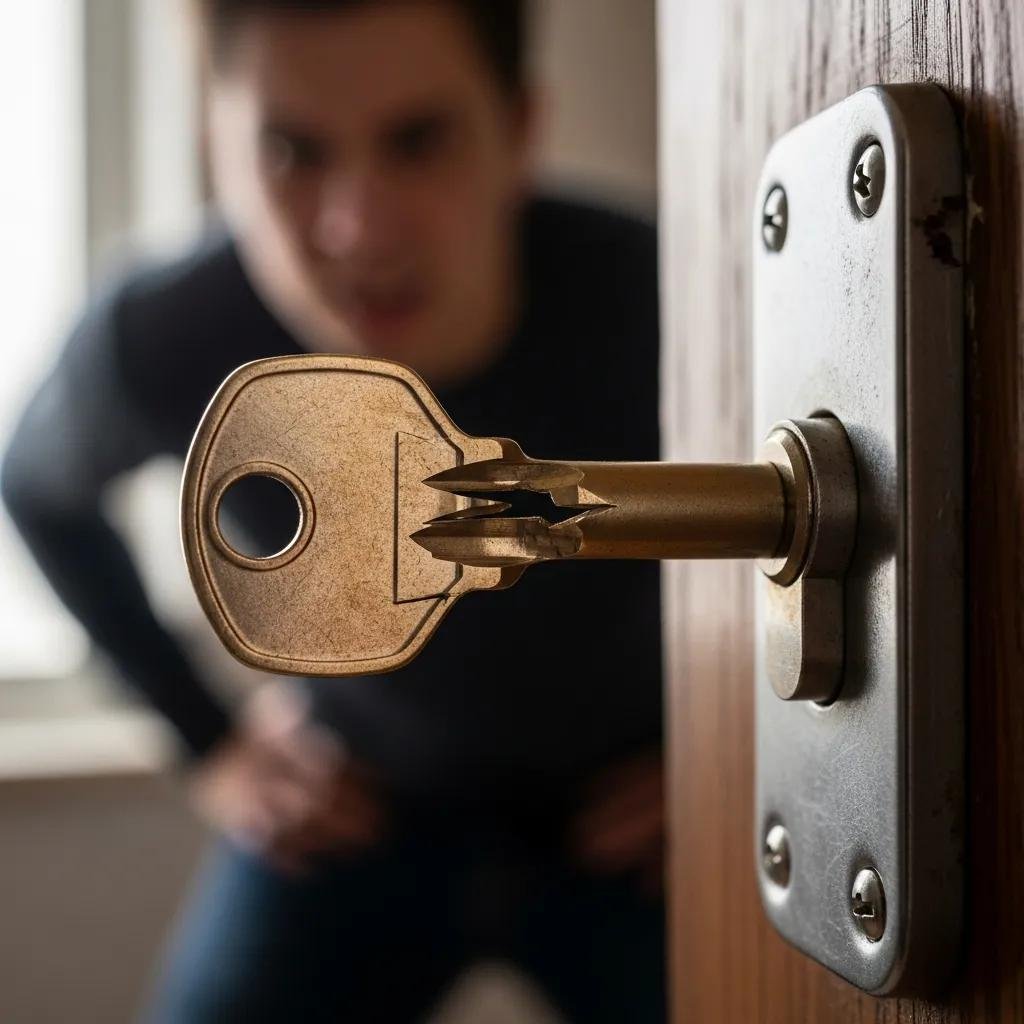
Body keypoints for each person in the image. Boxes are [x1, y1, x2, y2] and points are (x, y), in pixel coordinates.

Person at [1, 1, 665, 1020]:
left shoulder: (665, 298)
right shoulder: (165, 334)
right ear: (209, 150)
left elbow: (844, 522)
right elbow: (38, 488)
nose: (356, 225)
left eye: (419, 139)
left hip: (637, 815)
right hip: (348, 808)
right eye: (290, 151)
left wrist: (745, 754)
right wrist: (209, 744)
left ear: (521, 130)